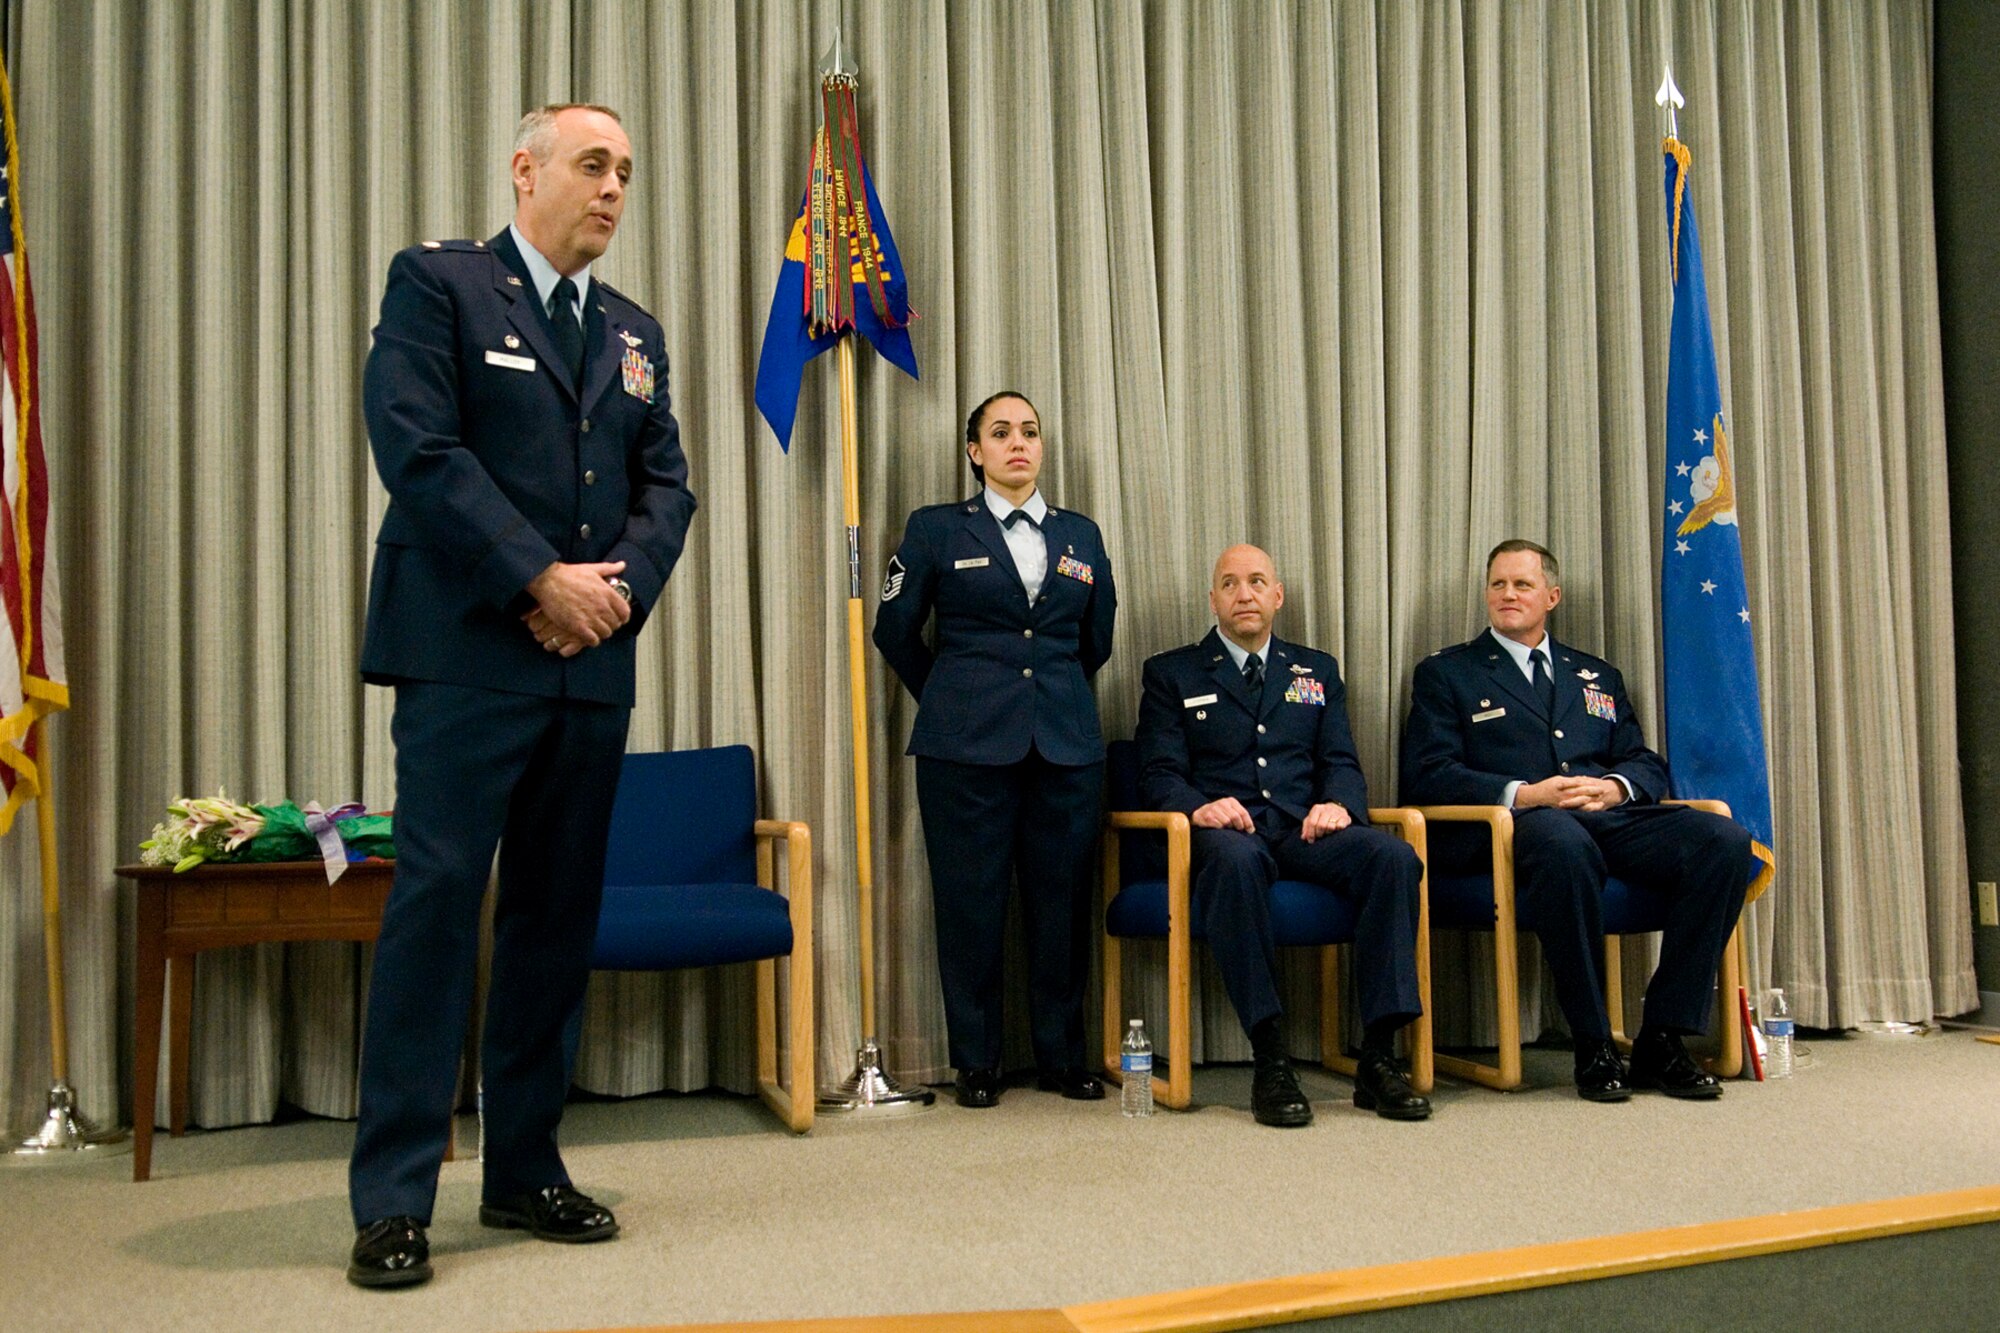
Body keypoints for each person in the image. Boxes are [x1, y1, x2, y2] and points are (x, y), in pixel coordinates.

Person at [346, 103, 697, 1289]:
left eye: (626, 174)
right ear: (525, 168)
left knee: (555, 917)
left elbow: (667, 485)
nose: (611, 189)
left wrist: (609, 595)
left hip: (589, 661)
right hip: (466, 653)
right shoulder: (440, 284)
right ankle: (394, 1197)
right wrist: (536, 578)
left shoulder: (634, 331)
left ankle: (524, 1167)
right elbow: (418, 448)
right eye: (593, 165)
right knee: (437, 909)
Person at [1400, 539, 1753, 1103]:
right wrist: (1525, 793)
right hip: (1513, 830)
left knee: (1726, 843)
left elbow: (1642, 760)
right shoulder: (1449, 673)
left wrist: (1615, 787)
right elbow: (1428, 774)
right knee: (1563, 844)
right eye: (1498, 584)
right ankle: (1593, 1043)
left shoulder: (1596, 675)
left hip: (1606, 821)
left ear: (1552, 596)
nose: (1507, 595)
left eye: (1522, 584)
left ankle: (1663, 1034)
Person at [873, 391, 1117, 1108]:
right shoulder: (935, 529)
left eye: (1031, 431)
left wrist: (1050, 696)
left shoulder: (1082, 536)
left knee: (1061, 906)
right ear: (974, 451)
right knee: (970, 905)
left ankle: (1062, 1055)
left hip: (1065, 748)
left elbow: (1094, 641)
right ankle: (976, 1059)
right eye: (1001, 432)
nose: (1020, 443)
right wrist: (951, 695)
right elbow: (895, 631)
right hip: (964, 752)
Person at [1135, 544, 1429, 1127]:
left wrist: (1340, 804)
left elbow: (1341, 760)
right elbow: (1158, 773)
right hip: (1229, 832)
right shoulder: (1172, 672)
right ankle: (1269, 1058)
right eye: (1230, 583)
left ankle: (1378, 1055)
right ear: (1213, 599)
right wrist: (1198, 808)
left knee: (1394, 857)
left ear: (1278, 595)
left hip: (1305, 829)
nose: (1244, 594)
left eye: (1257, 582)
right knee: (1235, 864)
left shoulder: (1315, 671)